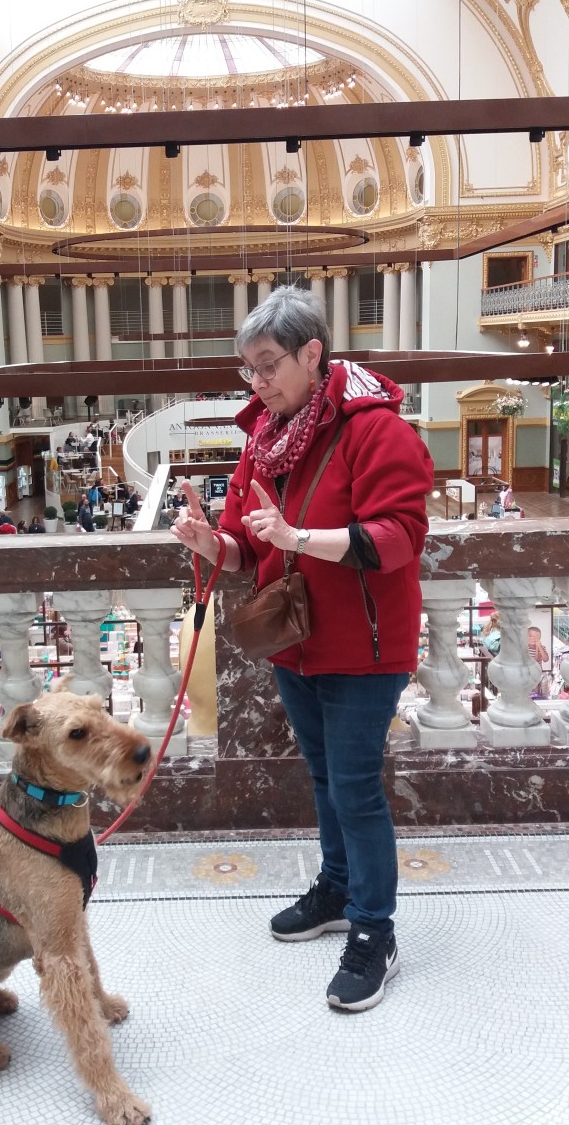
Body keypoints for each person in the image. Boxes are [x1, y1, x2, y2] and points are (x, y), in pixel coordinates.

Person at [171, 286, 434, 1013]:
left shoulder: (375, 430)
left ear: (311, 353)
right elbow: (246, 548)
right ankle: (339, 887)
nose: (256, 382)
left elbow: (399, 537)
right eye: (248, 369)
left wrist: (300, 538)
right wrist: (211, 542)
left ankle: (375, 930)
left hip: (364, 646)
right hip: (295, 640)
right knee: (324, 779)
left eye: (268, 365)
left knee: (355, 787)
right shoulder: (264, 437)